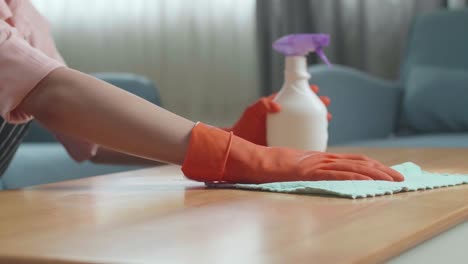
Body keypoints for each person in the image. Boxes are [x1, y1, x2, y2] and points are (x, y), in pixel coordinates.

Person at [0, 0, 404, 184]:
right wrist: (238, 156)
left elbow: (87, 139)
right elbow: (52, 93)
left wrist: (231, 139)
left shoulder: (25, 13)